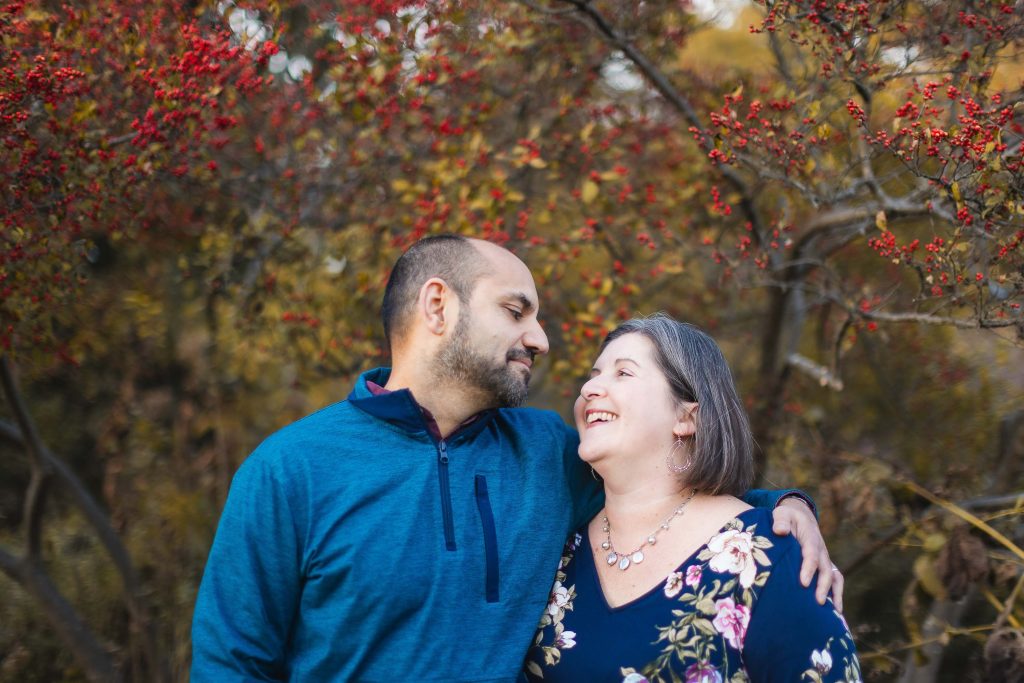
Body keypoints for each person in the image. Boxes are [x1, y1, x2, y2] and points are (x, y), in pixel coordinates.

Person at [190, 235, 842, 682]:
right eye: (516, 310)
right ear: (438, 306)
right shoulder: (290, 471)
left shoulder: (547, 452)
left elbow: (662, 492)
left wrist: (778, 510)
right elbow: (232, 663)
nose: (540, 337)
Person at [524, 315, 860, 682]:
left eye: (623, 373)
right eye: (594, 374)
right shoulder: (559, 548)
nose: (590, 388)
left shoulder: (765, 554)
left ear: (686, 417)